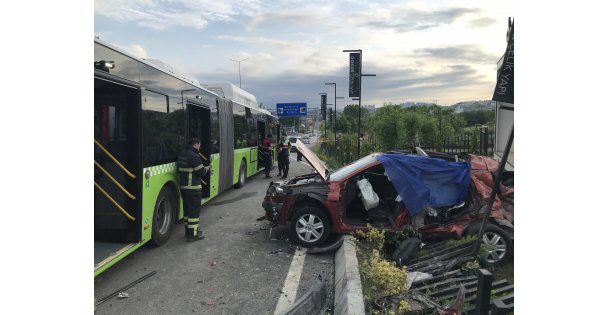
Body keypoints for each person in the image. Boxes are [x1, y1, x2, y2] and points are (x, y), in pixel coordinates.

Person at [177, 137, 210, 242]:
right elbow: (201, 172)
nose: (199, 147)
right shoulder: (194, 156)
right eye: (199, 145)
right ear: (196, 144)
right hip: (193, 189)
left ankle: (188, 232)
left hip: (183, 188)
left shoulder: (181, 154)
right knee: (194, 213)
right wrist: (206, 168)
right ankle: (193, 235)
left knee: (187, 211)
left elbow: (179, 169)